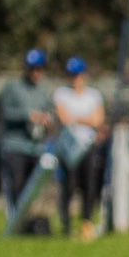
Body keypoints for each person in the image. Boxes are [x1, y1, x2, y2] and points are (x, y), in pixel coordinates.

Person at [53, 57, 107, 241]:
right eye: (71, 74)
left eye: (77, 74)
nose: (74, 78)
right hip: (69, 149)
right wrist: (86, 118)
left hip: (88, 147)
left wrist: (75, 118)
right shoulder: (61, 93)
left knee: (89, 186)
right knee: (67, 186)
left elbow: (98, 120)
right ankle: (66, 226)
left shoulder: (94, 95)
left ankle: (86, 222)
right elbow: (63, 118)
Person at [0, 48, 54, 218]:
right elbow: (5, 113)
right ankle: (16, 224)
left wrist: (46, 119)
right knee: (17, 188)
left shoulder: (43, 91)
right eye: (32, 68)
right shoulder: (12, 88)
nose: (36, 72)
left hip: (35, 148)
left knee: (34, 191)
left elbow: (49, 113)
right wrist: (28, 116)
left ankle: (32, 224)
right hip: (15, 147)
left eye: (39, 69)